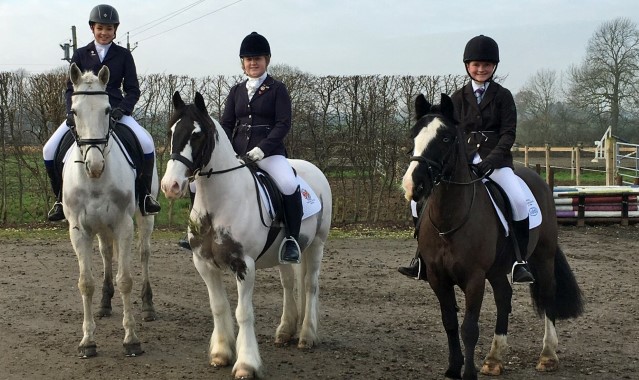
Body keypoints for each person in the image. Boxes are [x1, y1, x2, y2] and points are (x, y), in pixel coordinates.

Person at [399, 34, 534, 283]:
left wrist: (491, 160)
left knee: (518, 201)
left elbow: (508, 134)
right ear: (467, 66)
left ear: (494, 67)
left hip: (497, 164)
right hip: (464, 162)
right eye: (476, 65)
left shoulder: (503, 96)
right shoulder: (458, 98)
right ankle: (421, 258)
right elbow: (451, 134)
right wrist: (469, 158)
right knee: (416, 202)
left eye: (486, 65)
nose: (481, 69)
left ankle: (519, 261)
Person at [43, 4, 161, 221]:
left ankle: (145, 196)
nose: (104, 33)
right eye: (100, 28)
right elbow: (70, 87)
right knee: (48, 150)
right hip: (84, 114)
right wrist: (71, 111)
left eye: (108, 28)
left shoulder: (123, 55)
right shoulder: (80, 54)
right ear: (92, 29)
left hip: (115, 110)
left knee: (146, 143)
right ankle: (60, 199)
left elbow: (133, 89)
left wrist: (122, 110)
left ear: (115, 30)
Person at [220, 31, 302, 264]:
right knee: (201, 181)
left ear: (267, 60)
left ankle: (292, 241)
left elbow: (283, 124)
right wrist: (228, 151)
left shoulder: (277, 89)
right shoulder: (236, 90)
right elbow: (226, 124)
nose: (253, 63)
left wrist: (263, 149)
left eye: (257, 58)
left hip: (269, 153)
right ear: (243, 63)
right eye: (248, 59)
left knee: (288, 183)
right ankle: (198, 231)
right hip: (237, 153)